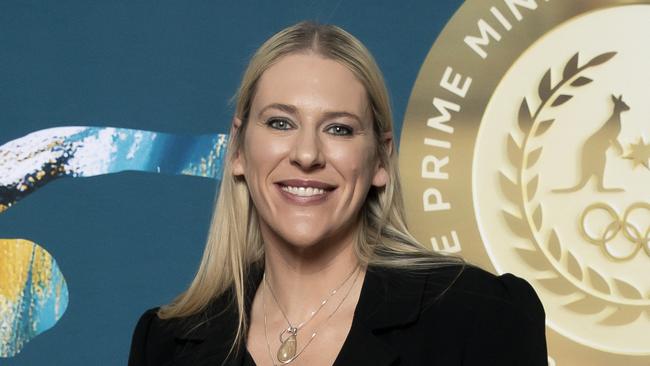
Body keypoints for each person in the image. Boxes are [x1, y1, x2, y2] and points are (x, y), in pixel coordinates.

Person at [128, 21, 548, 366]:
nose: (307, 154)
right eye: (280, 123)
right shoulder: (166, 344)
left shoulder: (482, 316)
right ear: (238, 149)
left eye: (339, 129)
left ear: (380, 161)